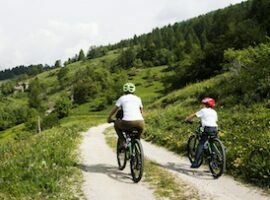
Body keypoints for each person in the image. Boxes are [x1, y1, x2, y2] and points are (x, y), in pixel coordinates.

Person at [185, 97, 218, 168]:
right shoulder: (214, 112)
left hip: (207, 128)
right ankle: (214, 162)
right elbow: (213, 120)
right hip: (214, 129)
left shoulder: (203, 110)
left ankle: (195, 162)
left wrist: (187, 119)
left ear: (205, 104)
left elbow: (194, 115)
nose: (202, 105)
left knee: (201, 143)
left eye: (203, 104)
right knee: (212, 143)